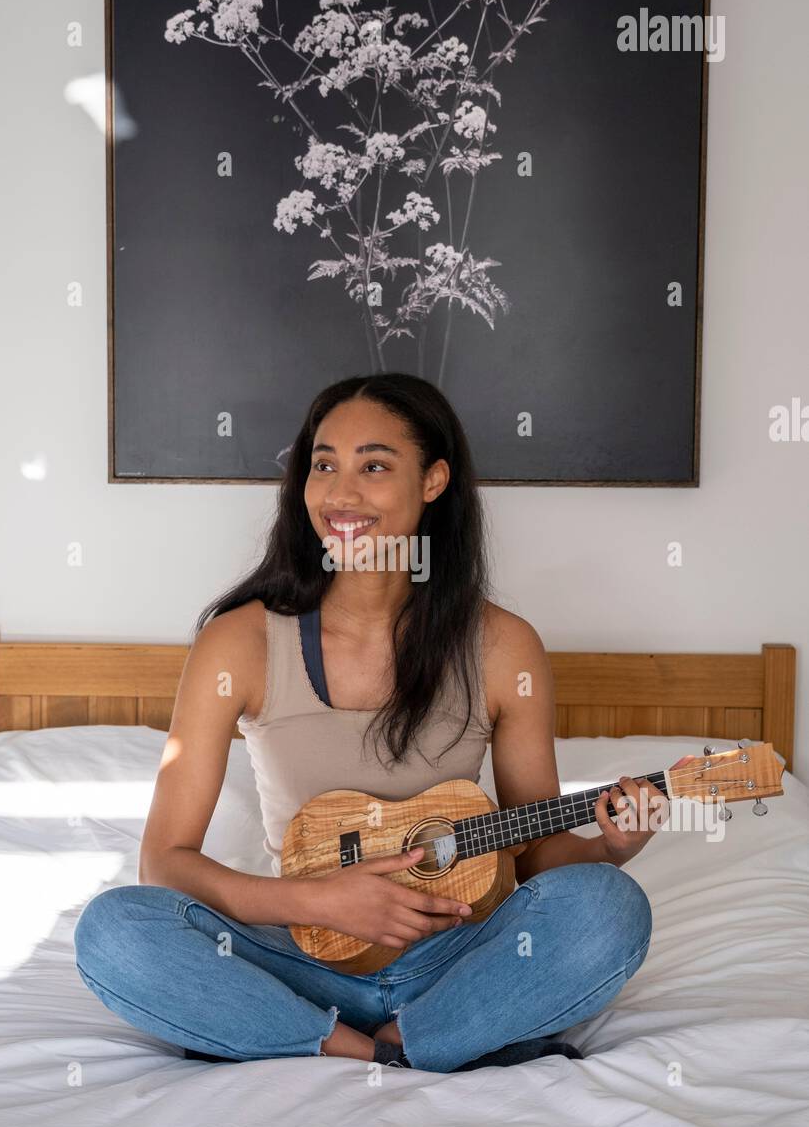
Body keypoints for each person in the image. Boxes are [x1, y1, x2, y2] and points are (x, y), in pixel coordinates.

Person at [74, 374, 659, 1073]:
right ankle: (370, 1045)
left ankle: (410, 1031)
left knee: (609, 909)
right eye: (323, 465)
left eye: (373, 466)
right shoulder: (239, 643)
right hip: (297, 959)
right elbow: (164, 862)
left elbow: (531, 849)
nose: (339, 494)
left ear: (434, 480)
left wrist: (609, 849)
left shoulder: (504, 648)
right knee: (114, 930)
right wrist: (319, 901)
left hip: (460, 954)